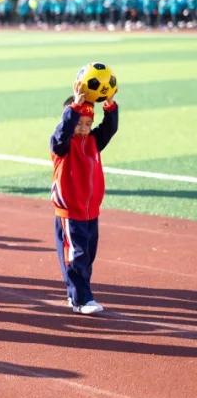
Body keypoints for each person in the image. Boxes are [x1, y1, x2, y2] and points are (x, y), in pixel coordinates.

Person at [49, 87, 119, 314]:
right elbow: (62, 133)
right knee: (76, 255)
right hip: (70, 212)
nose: (83, 128)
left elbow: (110, 128)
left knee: (87, 255)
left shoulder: (93, 141)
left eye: (87, 123)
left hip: (90, 212)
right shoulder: (61, 144)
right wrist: (75, 108)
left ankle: (76, 293)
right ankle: (81, 299)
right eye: (78, 122)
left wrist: (109, 105)